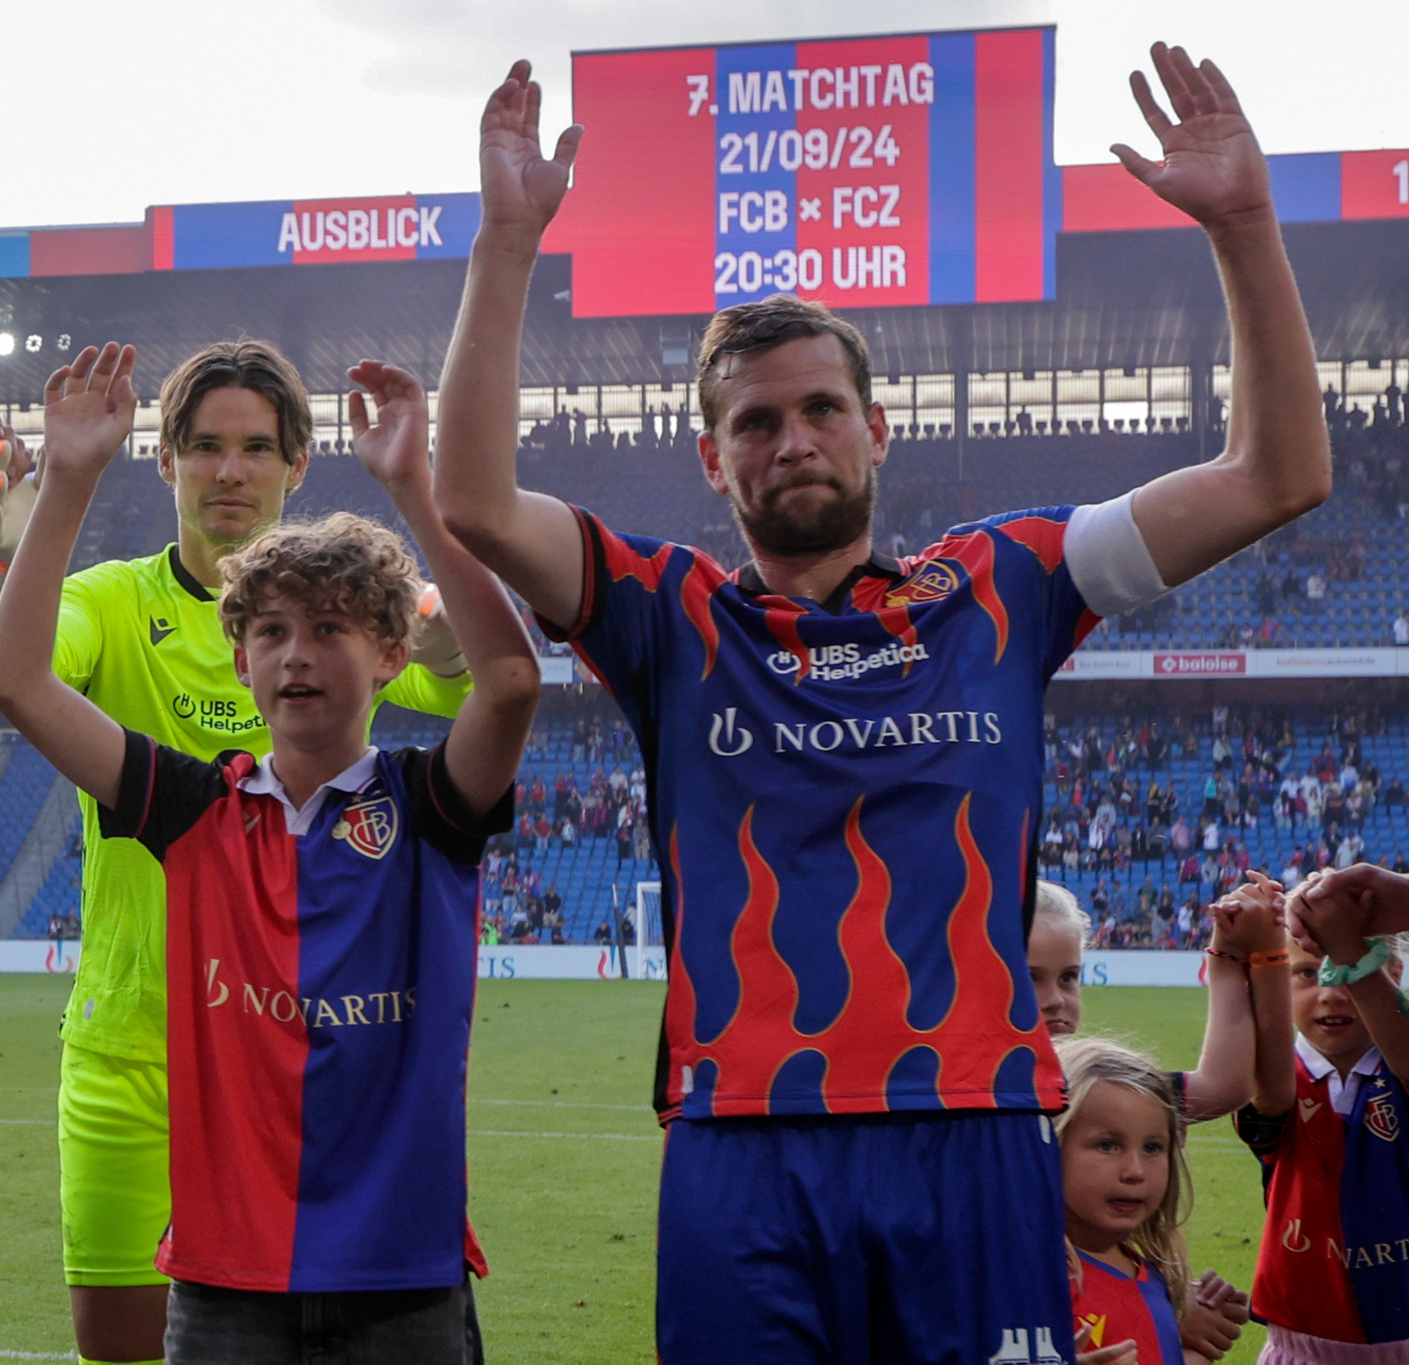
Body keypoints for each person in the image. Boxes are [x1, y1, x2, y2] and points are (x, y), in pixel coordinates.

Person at [432, 47, 1331, 1361]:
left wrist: (1244, 224)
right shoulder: (667, 614)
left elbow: (1274, 475)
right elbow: (470, 500)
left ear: (876, 429)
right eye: (754, 422)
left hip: (971, 1129)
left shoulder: (1006, 583)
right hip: (744, 1135)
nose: (792, 438)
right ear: (711, 459)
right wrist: (508, 241)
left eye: (820, 408)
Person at [0, 345, 537, 1363]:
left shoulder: (352, 617)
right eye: (203, 446)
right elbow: (16, 670)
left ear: (296, 464)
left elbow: (479, 672)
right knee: (123, 1344)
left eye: (254, 448)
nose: (228, 471)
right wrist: (57, 490)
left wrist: (417, 505)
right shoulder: (113, 612)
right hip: (136, 1042)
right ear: (165, 461)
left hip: (326, 1058)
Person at [1028, 879, 1261, 1361]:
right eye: (1031, 979)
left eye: (1068, 977)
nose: (1056, 1000)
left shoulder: (1101, 1087)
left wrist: (1229, 958)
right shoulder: (963, 1112)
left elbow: (1227, 1085)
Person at [1243, 878, 1409, 1357]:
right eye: (1307, 973)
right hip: (1300, 1347)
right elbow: (1267, 1094)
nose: (1331, 990)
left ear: (1393, 973)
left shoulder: (1400, 1065)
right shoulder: (1272, 1076)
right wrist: (1250, 945)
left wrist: (1348, 944)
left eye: (1345, 968)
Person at [1055, 1038, 1196, 1365]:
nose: (1135, 1171)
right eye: (1107, 1145)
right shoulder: (1030, 1279)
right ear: (1050, 1144)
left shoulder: (1154, 1274)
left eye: (1152, 1148)